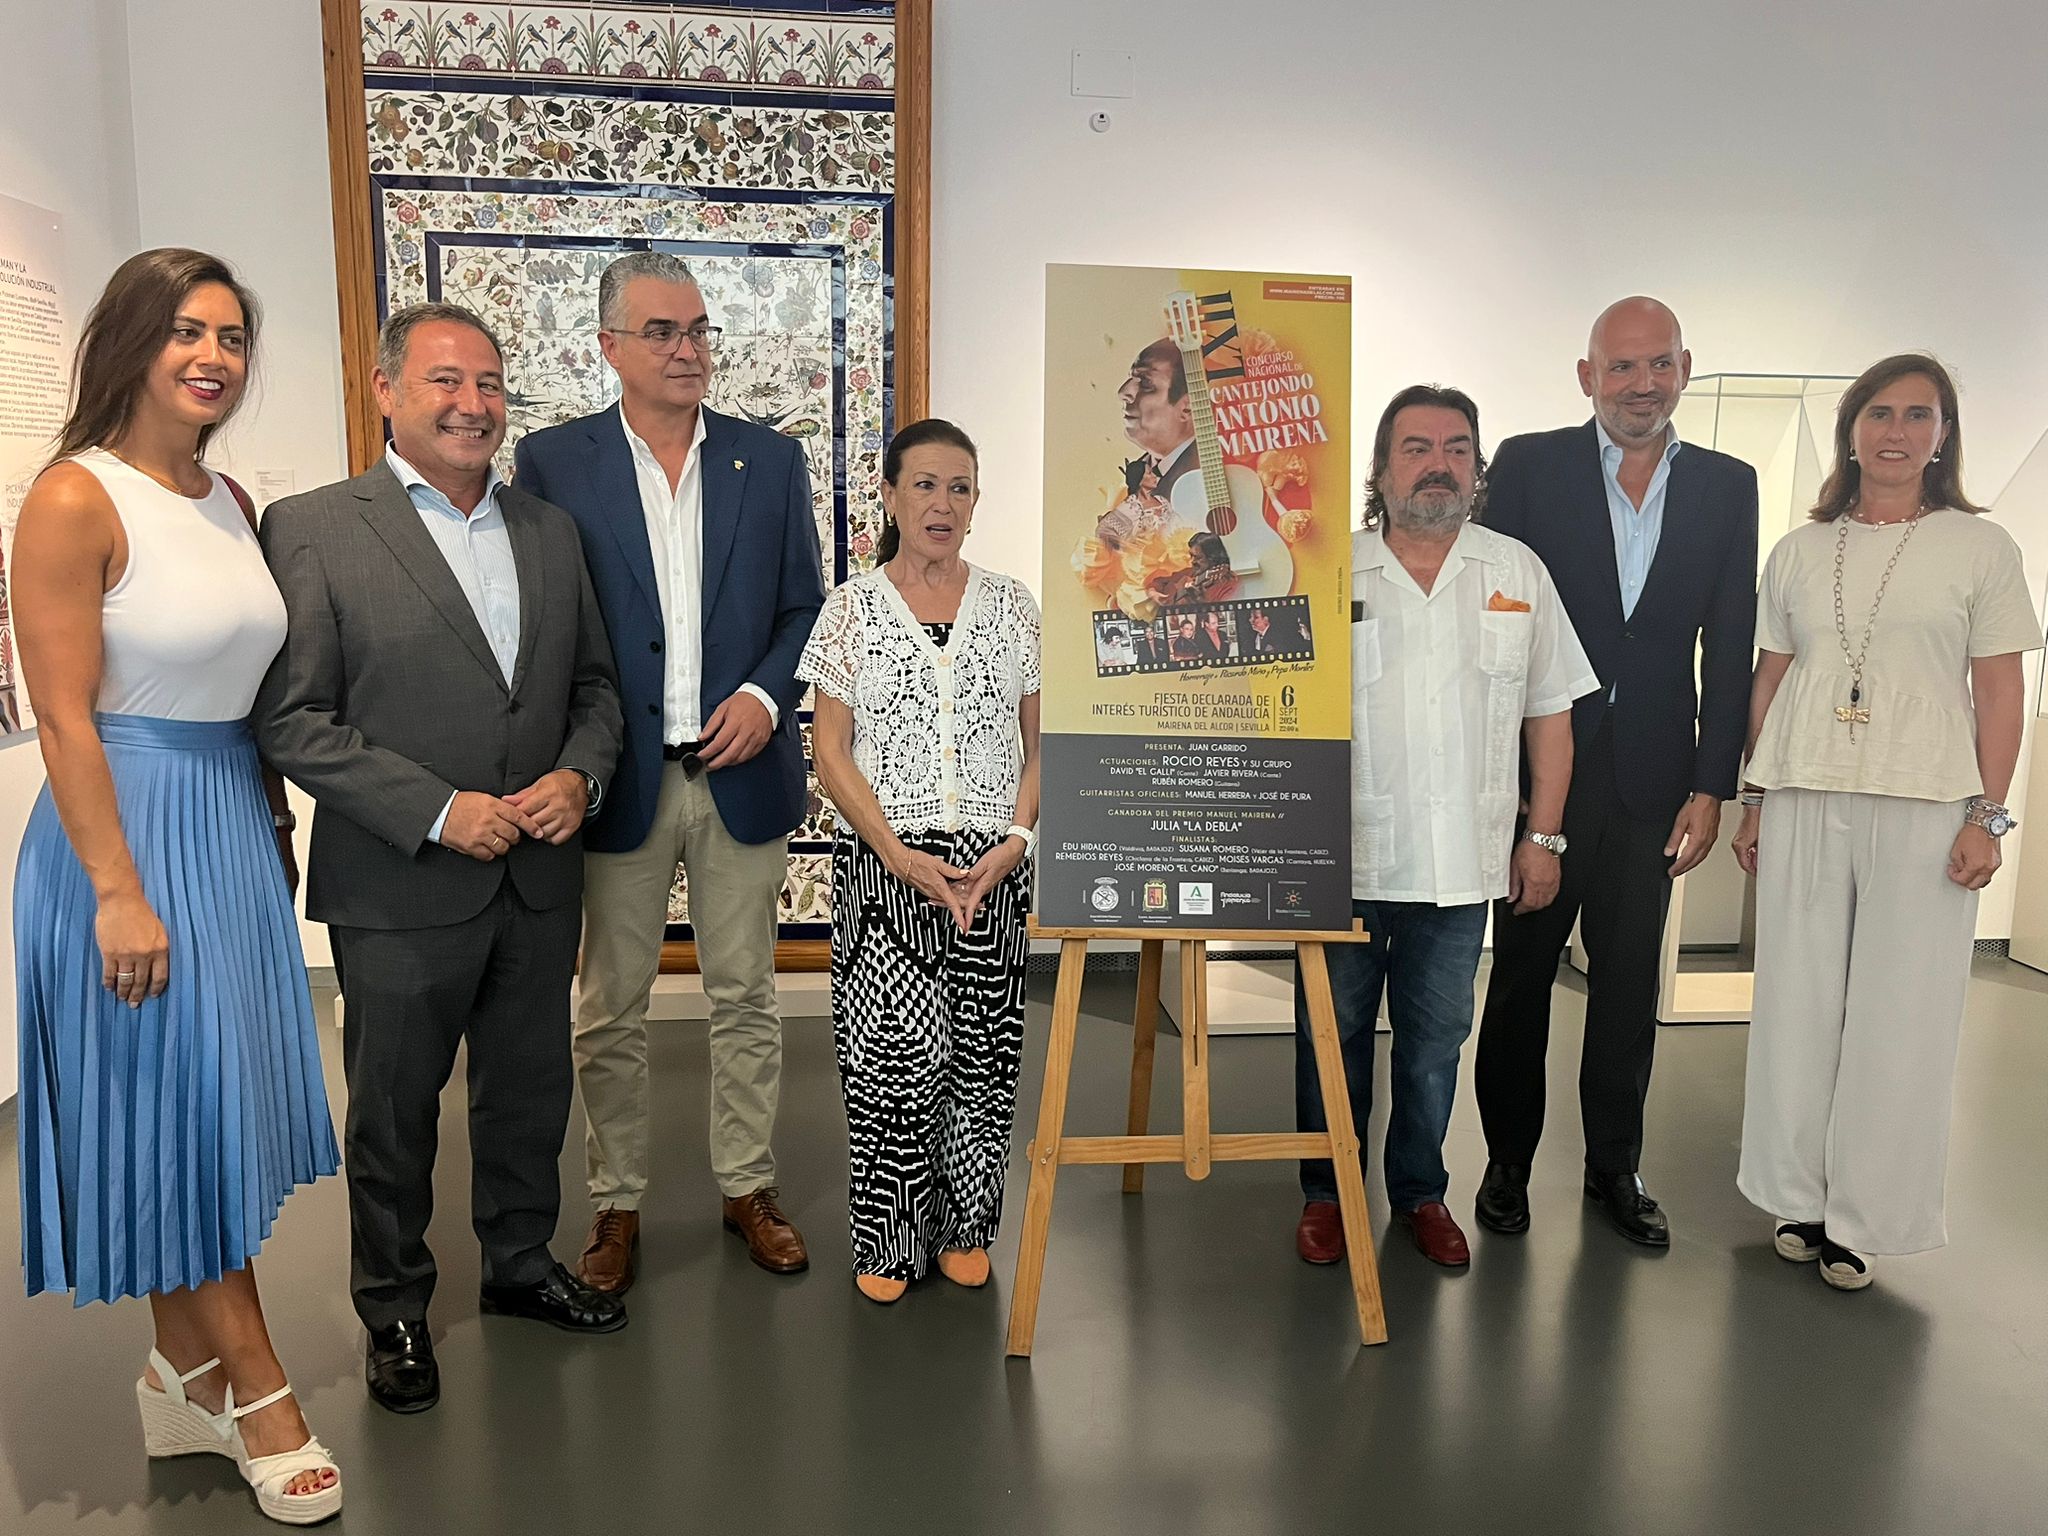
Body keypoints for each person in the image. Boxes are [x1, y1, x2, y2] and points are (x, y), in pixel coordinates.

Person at [12, 248, 342, 1522]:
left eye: (232, 337)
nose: (213, 357)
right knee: (180, 1100)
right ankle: (257, 1388)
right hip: (125, 834)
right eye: (186, 331)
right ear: (131, 341)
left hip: (224, 828)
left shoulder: (227, 498)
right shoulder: (71, 497)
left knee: (195, 1114)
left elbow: (242, 691)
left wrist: (266, 815)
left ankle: (181, 1374)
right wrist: (115, 889)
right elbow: (64, 715)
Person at [254, 302, 625, 1414]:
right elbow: (293, 719)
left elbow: (595, 690)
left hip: (536, 878)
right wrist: (435, 810)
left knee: (528, 1093)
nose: (473, 404)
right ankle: (395, 1310)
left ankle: (519, 1264)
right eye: (445, 381)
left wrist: (579, 776)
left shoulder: (549, 532)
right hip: (399, 881)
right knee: (392, 1110)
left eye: (490, 383)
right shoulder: (313, 528)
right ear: (385, 391)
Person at [513, 252, 826, 1290]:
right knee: (610, 1006)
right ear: (609, 347)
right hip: (622, 779)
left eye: (698, 330)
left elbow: (803, 607)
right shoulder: (553, 464)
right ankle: (615, 1204)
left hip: (741, 773)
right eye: (662, 331)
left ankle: (748, 1186)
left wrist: (766, 698)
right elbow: (547, 624)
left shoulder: (767, 461)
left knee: (747, 997)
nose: (687, 349)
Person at [1732, 354, 2039, 1291]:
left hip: (1927, 803)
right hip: (1805, 791)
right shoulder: (1799, 550)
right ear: (1852, 429)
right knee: (1795, 1005)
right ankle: (1797, 1194)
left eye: (1917, 415)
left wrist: (1989, 816)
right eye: (1879, 413)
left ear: (1943, 434)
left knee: (1902, 1015)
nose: (1895, 432)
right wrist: (1754, 796)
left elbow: (2000, 692)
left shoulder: (1981, 549)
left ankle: (1868, 1215)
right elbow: (1770, 678)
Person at [1474, 297, 1759, 1246]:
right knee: (1520, 982)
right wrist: (1500, 778)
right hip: (1541, 776)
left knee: (1630, 989)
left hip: (1656, 783)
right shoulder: (1528, 465)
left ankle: (1614, 1169)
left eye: (1659, 364)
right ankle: (1507, 1165)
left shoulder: (1728, 485)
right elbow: (1493, 617)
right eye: (1622, 366)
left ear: (1685, 368)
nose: (1643, 384)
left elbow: (1731, 643)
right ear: (1587, 375)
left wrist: (1713, 786)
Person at [1294, 385, 1598, 1269]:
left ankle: (1420, 1194)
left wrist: (1543, 840)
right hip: (1342, 859)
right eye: (1418, 448)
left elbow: (1550, 714)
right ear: (1381, 468)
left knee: (1433, 1049)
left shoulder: (1516, 573)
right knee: (1330, 1043)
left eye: (1457, 448)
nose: (1439, 465)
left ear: (1477, 467)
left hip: (1462, 866)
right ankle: (1326, 1193)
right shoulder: (1330, 571)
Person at [801, 418, 1040, 1303]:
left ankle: (966, 1228)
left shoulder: (1013, 606)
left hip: (993, 866)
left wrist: (1016, 841)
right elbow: (831, 750)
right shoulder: (852, 609)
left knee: (984, 1055)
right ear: (892, 497)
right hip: (885, 864)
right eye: (926, 485)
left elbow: (1042, 742)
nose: (943, 504)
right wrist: (895, 851)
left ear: (977, 504)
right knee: (891, 1062)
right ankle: (889, 1237)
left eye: (960, 488)